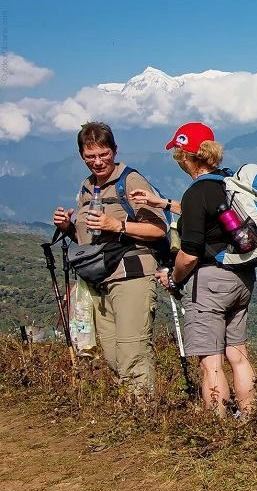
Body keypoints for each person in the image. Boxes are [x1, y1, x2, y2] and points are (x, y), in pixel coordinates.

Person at [51, 122, 167, 397]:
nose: (97, 161)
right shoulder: (87, 186)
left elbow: (158, 229)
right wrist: (67, 226)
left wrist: (118, 226)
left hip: (132, 274)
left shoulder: (130, 181)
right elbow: (88, 237)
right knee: (113, 353)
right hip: (100, 279)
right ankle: (130, 408)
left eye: (103, 154)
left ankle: (143, 412)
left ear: (114, 151)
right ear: (82, 155)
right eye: (90, 156)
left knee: (132, 350)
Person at [155, 122, 257, 417]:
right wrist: (163, 203)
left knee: (210, 362)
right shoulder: (227, 184)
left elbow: (189, 255)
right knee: (237, 354)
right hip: (242, 276)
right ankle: (250, 419)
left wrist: (173, 278)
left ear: (186, 156)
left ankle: (218, 428)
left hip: (210, 283)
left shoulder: (196, 192)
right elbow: (213, 219)